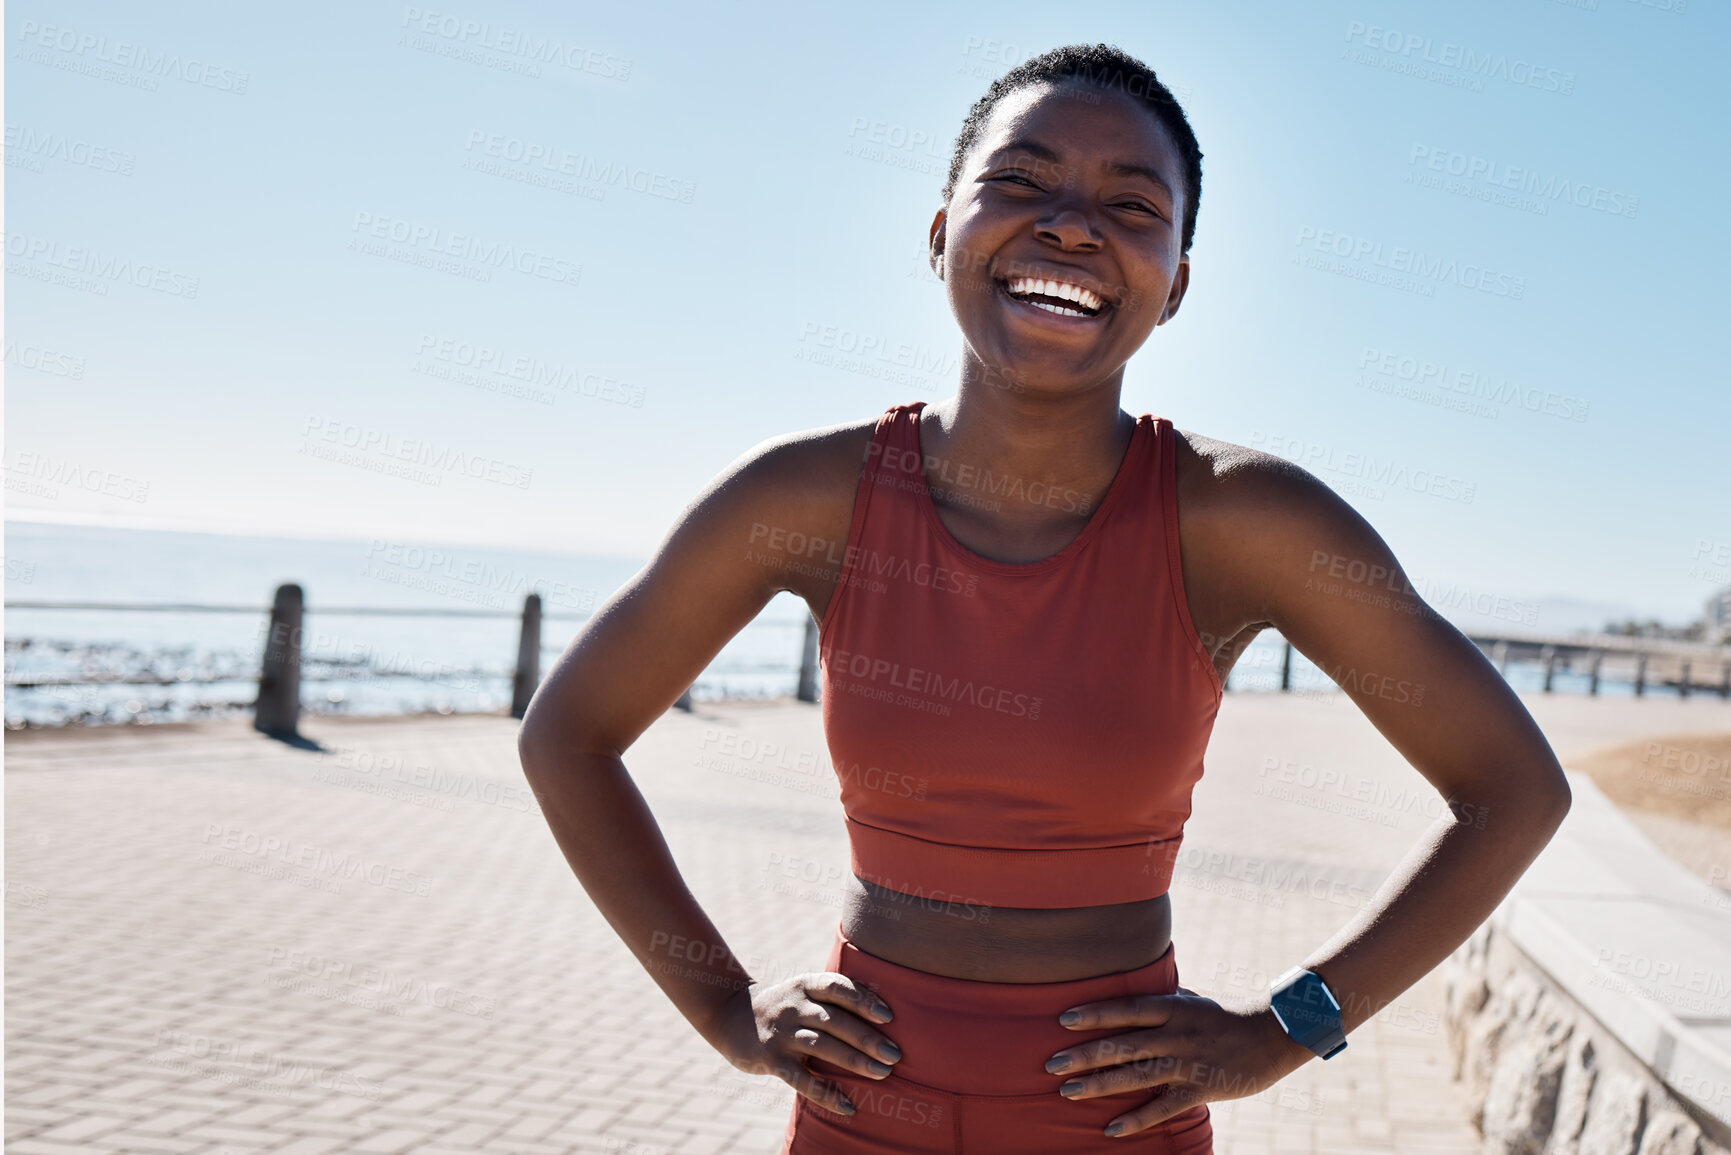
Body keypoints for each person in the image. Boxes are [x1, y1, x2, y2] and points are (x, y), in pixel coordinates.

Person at [516, 42, 1572, 1153]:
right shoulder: (809, 497)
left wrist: (1283, 1029)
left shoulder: (1247, 521)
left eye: (1132, 205)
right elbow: (570, 737)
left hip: (1121, 1124)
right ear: (940, 235)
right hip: (857, 1111)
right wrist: (725, 1010)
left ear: (1176, 283)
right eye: (1019, 182)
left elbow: (1513, 789)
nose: (1072, 227)